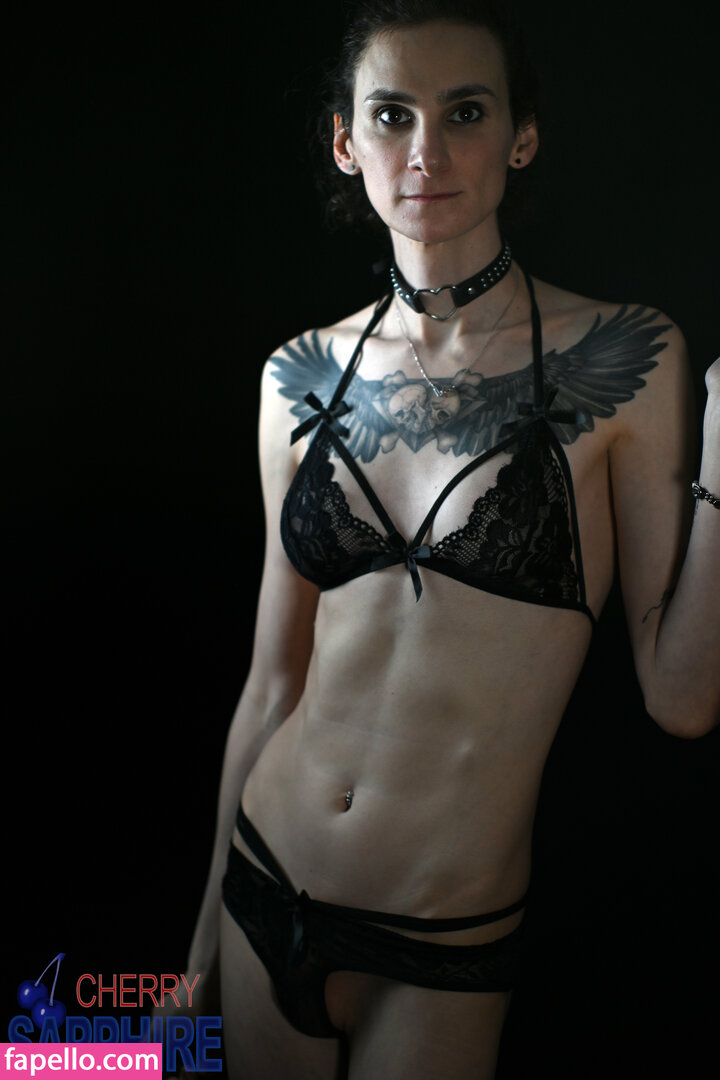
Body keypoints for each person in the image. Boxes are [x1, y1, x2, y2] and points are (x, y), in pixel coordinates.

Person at [184, 2, 720, 1077]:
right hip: (260, 878)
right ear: (347, 142)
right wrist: (195, 952)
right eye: (392, 115)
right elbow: (270, 686)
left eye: (465, 112)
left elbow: (682, 697)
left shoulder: (628, 354)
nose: (426, 151)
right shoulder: (297, 376)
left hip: (442, 938)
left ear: (522, 136)